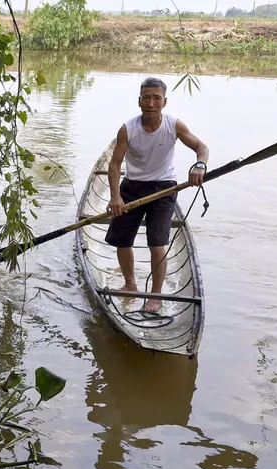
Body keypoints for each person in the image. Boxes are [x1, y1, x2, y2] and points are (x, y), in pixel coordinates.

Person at [104, 77, 209, 313]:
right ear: (139, 101)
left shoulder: (174, 125)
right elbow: (115, 164)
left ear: (164, 101)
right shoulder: (128, 129)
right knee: (122, 239)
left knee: (157, 241)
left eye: (156, 98)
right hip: (132, 186)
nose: (151, 103)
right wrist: (115, 196)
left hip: (164, 188)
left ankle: (155, 295)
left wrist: (199, 166)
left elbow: (201, 148)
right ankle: (130, 284)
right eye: (146, 98)